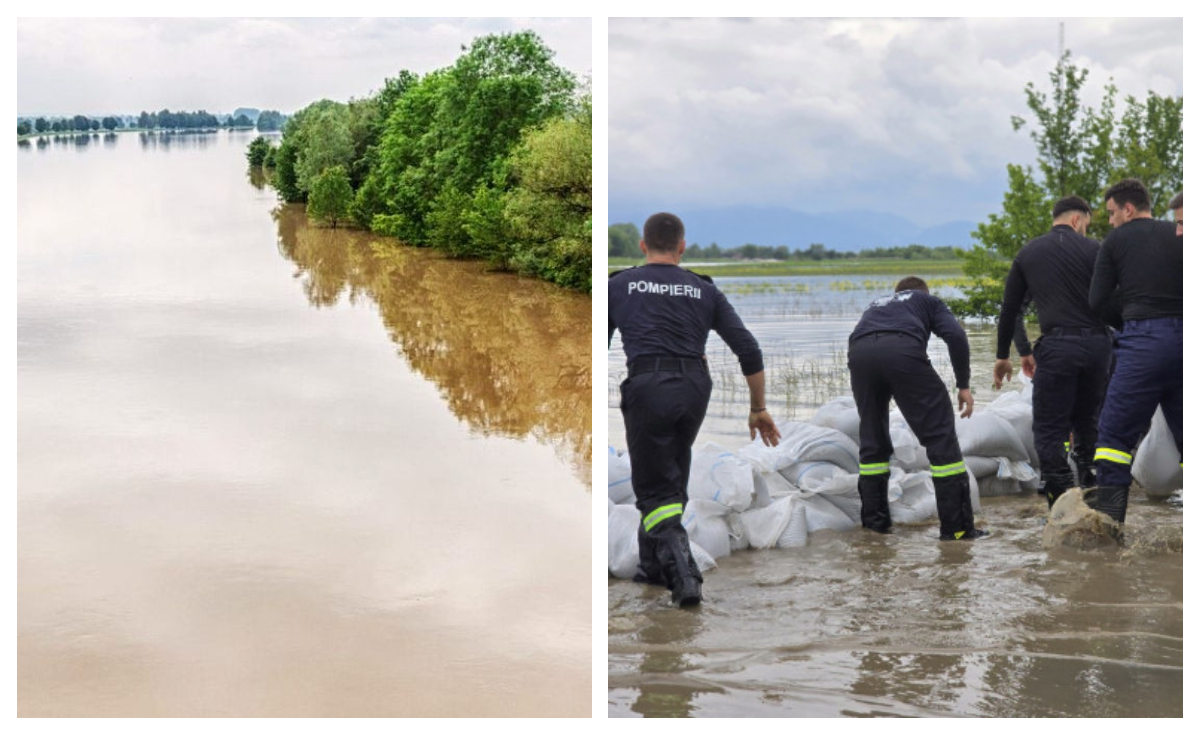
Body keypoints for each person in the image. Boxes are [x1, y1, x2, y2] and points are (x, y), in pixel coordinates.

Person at [608, 212, 781, 607]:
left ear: (642, 245)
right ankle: (650, 570)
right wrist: (758, 407)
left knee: (652, 491)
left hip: (648, 386)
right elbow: (749, 349)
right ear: (682, 247)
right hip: (694, 389)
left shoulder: (618, 284)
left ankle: (685, 577)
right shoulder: (704, 290)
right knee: (670, 477)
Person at [992, 196, 1111, 508]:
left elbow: (1010, 310)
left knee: (1050, 427)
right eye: (1086, 224)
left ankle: (1062, 503)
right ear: (1076, 220)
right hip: (1099, 348)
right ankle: (1093, 490)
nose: (1086, 230)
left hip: (1058, 348)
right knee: (1089, 421)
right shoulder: (1097, 250)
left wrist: (1005, 355)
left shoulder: (1029, 253)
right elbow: (1117, 300)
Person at [848, 277, 986, 540]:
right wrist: (963, 385)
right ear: (923, 291)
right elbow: (956, 335)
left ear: (896, 292)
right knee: (940, 440)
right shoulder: (927, 300)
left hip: (859, 355)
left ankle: (875, 528)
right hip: (901, 350)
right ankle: (958, 530)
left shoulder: (877, 303)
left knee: (872, 440)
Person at [1088, 178, 1182, 527]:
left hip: (1143, 342)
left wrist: (1129, 321)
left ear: (1128, 209)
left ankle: (1109, 537)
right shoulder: (1180, 234)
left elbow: (1097, 301)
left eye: (1112, 213)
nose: (1110, 221)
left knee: (1112, 440)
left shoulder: (1115, 240)